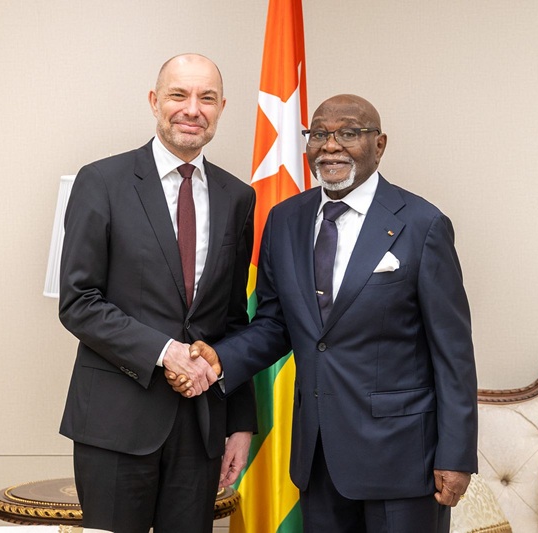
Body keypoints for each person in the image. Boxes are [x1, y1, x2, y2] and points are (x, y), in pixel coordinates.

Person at [169, 94, 478, 532]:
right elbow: (276, 324)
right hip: (317, 458)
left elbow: (453, 353)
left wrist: (456, 455)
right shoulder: (285, 220)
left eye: (348, 133)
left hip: (403, 460)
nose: (330, 145)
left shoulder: (422, 224)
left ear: (379, 145)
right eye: (318, 134)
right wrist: (221, 359)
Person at [58, 53, 257, 533]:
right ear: (154, 101)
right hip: (115, 423)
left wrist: (241, 422)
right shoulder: (101, 181)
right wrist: (166, 352)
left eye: (206, 98)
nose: (192, 109)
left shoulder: (238, 197)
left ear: (221, 107)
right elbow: (79, 301)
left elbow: (234, 319)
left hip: (202, 426)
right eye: (178, 95)